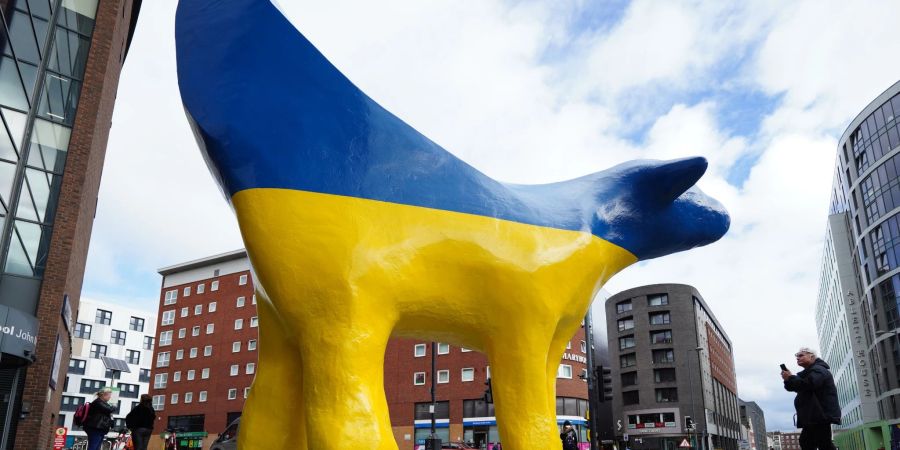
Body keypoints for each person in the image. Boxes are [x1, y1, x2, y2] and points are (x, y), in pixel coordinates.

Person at [781, 347, 841, 450]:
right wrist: (787, 380)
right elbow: (794, 387)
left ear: (811, 356)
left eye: (801, 355)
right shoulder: (809, 372)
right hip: (814, 414)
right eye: (797, 356)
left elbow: (808, 384)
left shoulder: (819, 370)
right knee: (813, 442)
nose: (798, 358)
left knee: (818, 442)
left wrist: (791, 377)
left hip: (820, 414)